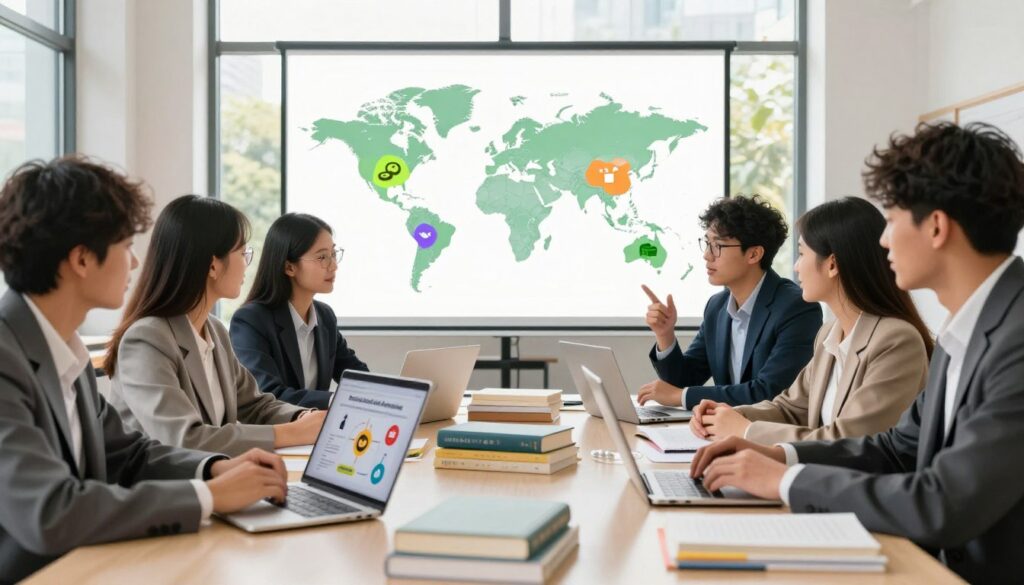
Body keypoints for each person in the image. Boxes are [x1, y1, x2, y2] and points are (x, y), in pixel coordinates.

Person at [689, 122, 1024, 584]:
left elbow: (946, 502)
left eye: (891, 220)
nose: (883, 241)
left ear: (937, 227)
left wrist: (785, 480)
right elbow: (896, 448)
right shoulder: (964, 328)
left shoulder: (1015, 338)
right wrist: (777, 456)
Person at [0, 157, 288, 583]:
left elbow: (128, 455)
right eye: (124, 246)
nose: (135, 264)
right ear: (82, 259)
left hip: (93, 565)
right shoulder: (7, 357)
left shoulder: (65, 350)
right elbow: (50, 510)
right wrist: (207, 496)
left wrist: (212, 468)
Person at [689, 197, 932, 444]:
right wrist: (727, 415)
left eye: (802, 253)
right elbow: (790, 408)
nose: (796, 267)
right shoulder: (829, 335)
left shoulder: (896, 341)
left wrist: (745, 430)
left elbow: (848, 441)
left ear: (832, 264)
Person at [105, 195, 326, 457]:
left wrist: (306, 417)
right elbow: (185, 439)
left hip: (212, 480)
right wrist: (293, 433)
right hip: (158, 492)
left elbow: (255, 405)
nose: (247, 263)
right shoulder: (146, 339)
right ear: (213, 265)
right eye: (243, 252)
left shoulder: (215, 331)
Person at [638, 194, 822, 410]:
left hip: (769, 435)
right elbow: (683, 380)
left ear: (753, 254)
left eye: (718, 246)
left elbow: (769, 392)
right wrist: (665, 334)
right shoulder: (717, 307)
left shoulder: (796, 307)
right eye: (707, 243)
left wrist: (682, 397)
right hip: (723, 431)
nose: (707, 255)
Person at [230, 213, 368, 409]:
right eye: (322, 257)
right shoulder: (251, 320)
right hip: (277, 435)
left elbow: (354, 373)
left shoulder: (324, 316)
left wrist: (391, 394)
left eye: (333, 254)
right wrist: (337, 400)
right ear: (289, 267)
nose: (334, 266)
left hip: (315, 433)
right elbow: (269, 394)